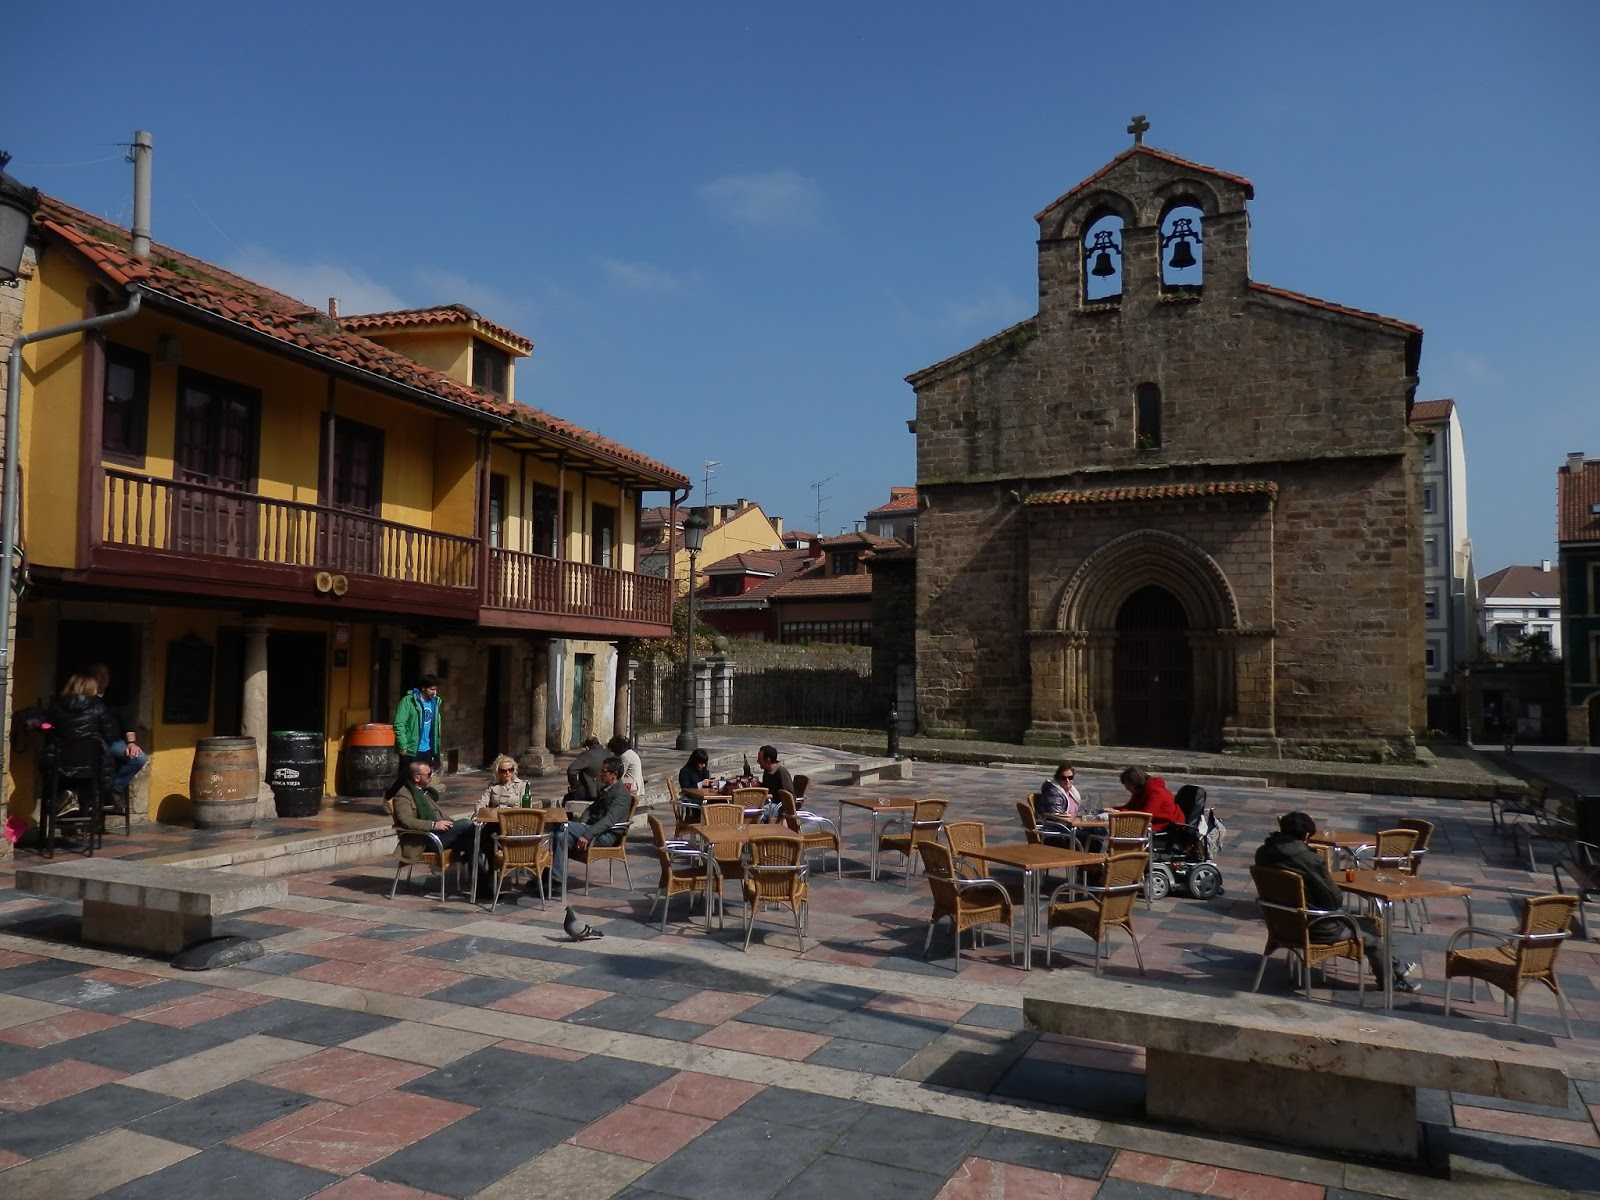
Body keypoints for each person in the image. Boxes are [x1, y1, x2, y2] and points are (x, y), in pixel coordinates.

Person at [1255, 812, 1418, 993]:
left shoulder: (1262, 853)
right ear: (1306, 836)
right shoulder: (1308, 859)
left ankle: (1394, 969)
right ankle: (1390, 982)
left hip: (1281, 923)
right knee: (1372, 936)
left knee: (1369, 925)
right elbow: (1334, 900)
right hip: (1318, 928)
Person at [391, 759, 484, 886]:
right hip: (425, 840)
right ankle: (488, 848)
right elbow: (406, 820)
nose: (432, 776)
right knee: (467, 825)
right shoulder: (404, 795)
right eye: (429, 774)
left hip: (440, 834)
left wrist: (449, 823)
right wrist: (434, 825)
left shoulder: (423, 793)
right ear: (417, 777)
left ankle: (481, 886)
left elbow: (440, 815)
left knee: (472, 843)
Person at [552, 755, 633, 887]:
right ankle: (554, 879)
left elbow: (609, 820)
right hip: (593, 829)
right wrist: (583, 823)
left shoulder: (621, 795)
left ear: (614, 774)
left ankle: (547, 873)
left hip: (606, 836)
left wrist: (586, 835)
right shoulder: (605, 789)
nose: (600, 774)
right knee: (560, 836)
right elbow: (591, 809)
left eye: (604, 771)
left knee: (561, 824)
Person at [45, 674, 118, 819]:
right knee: (101, 769)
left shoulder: (57, 706)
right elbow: (111, 735)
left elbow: (50, 730)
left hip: (60, 765)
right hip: (90, 767)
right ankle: (81, 802)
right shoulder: (99, 707)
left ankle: (69, 796)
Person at [86, 662, 148, 804]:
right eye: (99, 674)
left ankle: (114, 789)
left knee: (139, 758)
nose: (104, 677)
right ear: (90, 677)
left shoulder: (115, 697)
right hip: (90, 744)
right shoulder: (85, 699)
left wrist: (131, 743)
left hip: (113, 742)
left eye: (106, 674)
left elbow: (127, 721)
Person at [387, 674, 442, 801]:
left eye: (435, 689)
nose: (435, 692)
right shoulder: (408, 701)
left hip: (427, 748)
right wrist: (403, 745)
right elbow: (399, 724)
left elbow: (435, 727)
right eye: (432, 689)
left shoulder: (435, 703)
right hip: (411, 748)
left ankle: (418, 804)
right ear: (423, 688)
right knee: (405, 777)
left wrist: (436, 748)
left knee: (425, 778)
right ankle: (390, 797)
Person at [1116, 765, 1185, 832]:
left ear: (1136, 783)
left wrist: (1121, 812)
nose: (1126, 788)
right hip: (1154, 822)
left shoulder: (1156, 792)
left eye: (1128, 785)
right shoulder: (1139, 791)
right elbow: (1130, 806)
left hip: (1168, 826)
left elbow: (1146, 814)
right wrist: (1115, 810)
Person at [566, 735, 605, 804]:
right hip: (606, 790)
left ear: (587, 747)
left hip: (591, 793)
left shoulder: (587, 755)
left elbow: (571, 770)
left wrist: (575, 785)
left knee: (567, 798)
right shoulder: (608, 753)